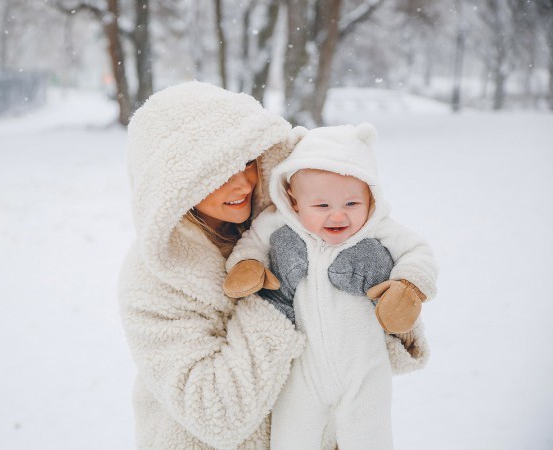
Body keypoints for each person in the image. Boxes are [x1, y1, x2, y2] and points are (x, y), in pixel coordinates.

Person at [223, 123, 438, 449]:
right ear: (294, 203)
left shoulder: (378, 228)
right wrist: (247, 265)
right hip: (303, 370)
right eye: (321, 206)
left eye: (352, 204)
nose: (337, 216)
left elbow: (418, 251)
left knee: (370, 436)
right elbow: (252, 241)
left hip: (364, 366)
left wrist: (408, 284)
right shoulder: (279, 224)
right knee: (292, 437)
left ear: (371, 197)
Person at [118, 81, 307, 449]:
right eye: (219, 172)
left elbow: (351, 347)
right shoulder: (154, 278)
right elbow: (216, 414)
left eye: (249, 161)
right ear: (177, 182)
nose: (243, 183)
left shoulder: (278, 231)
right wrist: (277, 296)